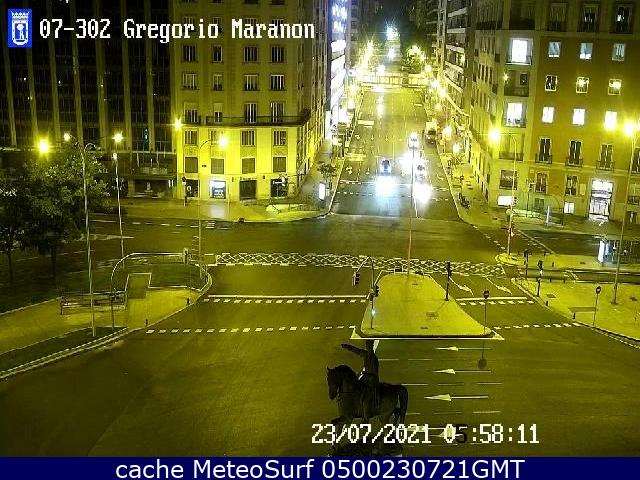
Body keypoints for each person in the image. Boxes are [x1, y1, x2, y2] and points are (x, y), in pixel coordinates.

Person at [341, 340, 379, 419]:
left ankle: (366, 416)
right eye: (367, 346)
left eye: (368, 346)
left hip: (372, 380)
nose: (367, 347)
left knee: (365, 397)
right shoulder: (366, 354)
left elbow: (373, 373)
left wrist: (364, 374)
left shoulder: (374, 359)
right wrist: (348, 347)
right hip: (366, 377)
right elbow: (357, 351)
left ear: (371, 347)